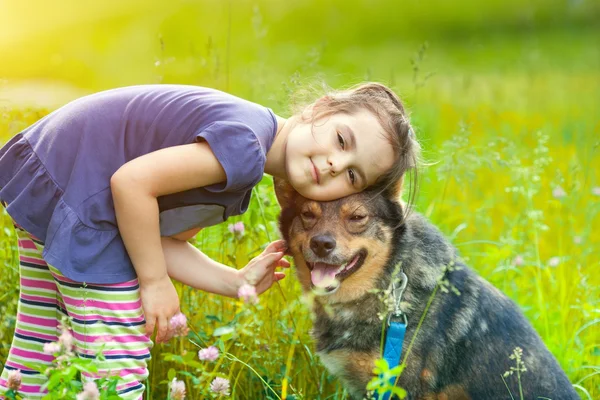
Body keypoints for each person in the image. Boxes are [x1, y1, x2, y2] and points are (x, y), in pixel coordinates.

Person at [0, 82, 420, 399]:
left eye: (351, 175)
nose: (333, 163)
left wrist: (234, 281)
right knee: (117, 367)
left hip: (55, 182)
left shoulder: (244, 159)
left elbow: (147, 235)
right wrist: (153, 282)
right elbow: (129, 185)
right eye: (341, 141)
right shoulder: (245, 145)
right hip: (78, 198)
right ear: (320, 109)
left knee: (42, 351)